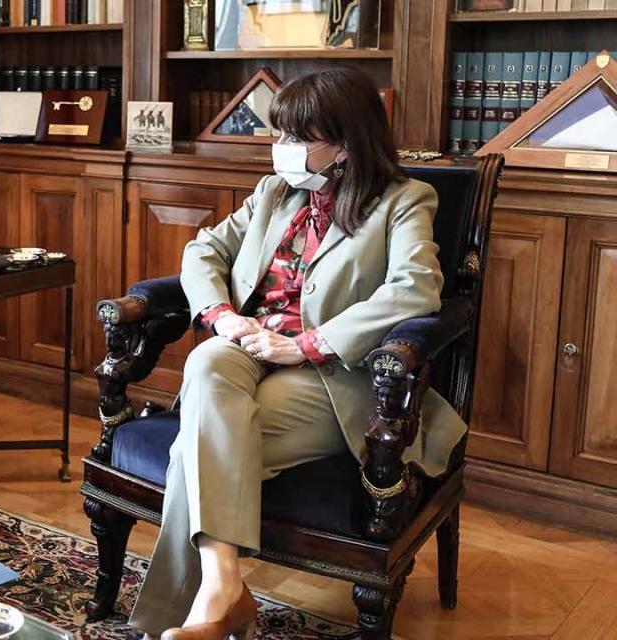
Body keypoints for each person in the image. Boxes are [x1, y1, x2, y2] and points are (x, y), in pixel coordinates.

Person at [129, 68, 468, 639]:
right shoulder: (274, 193)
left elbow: (416, 288)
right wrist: (222, 316)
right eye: (280, 133)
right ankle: (223, 591)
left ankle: (209, 604)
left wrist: (307, 344)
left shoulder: (403, 201)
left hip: (333, 376)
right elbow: (202, 250)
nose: (281, 147)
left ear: (346, 144)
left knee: (196, 443)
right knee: (208, 359)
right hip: (248, 348)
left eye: (297, 137)